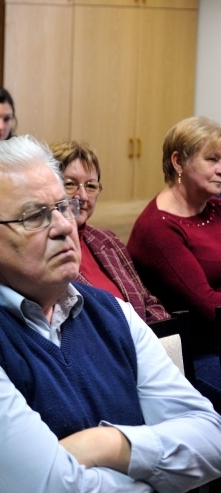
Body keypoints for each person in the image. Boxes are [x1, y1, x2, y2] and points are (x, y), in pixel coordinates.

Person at [0, 135, 221, 492]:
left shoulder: (111, 312)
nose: (62, 226)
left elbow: (210, 438)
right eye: (34, 216)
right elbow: (53, 487)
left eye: (62, 207)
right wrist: (161, 471)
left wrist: (107, 445)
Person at [128, 116, 221, 403]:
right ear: (178, 162)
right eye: (212, 159)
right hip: (198, 352)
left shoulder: (216, 208)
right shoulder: (158, 229)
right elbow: (209, 307)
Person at [49, 140, 169, 323]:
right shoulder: (46, 251)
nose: (82, 196)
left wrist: (160, 341)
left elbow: (148, 302)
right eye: (70, 184)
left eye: (90, 186)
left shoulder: (108, 240)